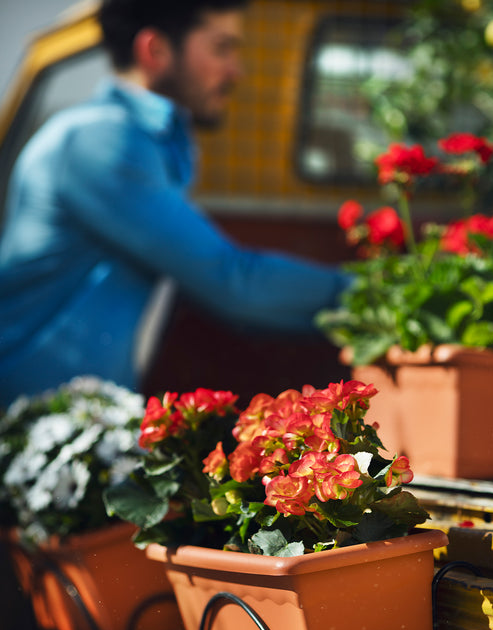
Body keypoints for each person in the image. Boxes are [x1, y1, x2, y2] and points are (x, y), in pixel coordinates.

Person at [0, 0, 348, 408]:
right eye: (222, 48)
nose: (236, 70)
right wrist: (374, 293)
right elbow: (234, 281)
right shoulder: (100, 143)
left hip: (73, 421)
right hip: (27, 432)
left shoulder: (142, 139)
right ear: (155, 51)